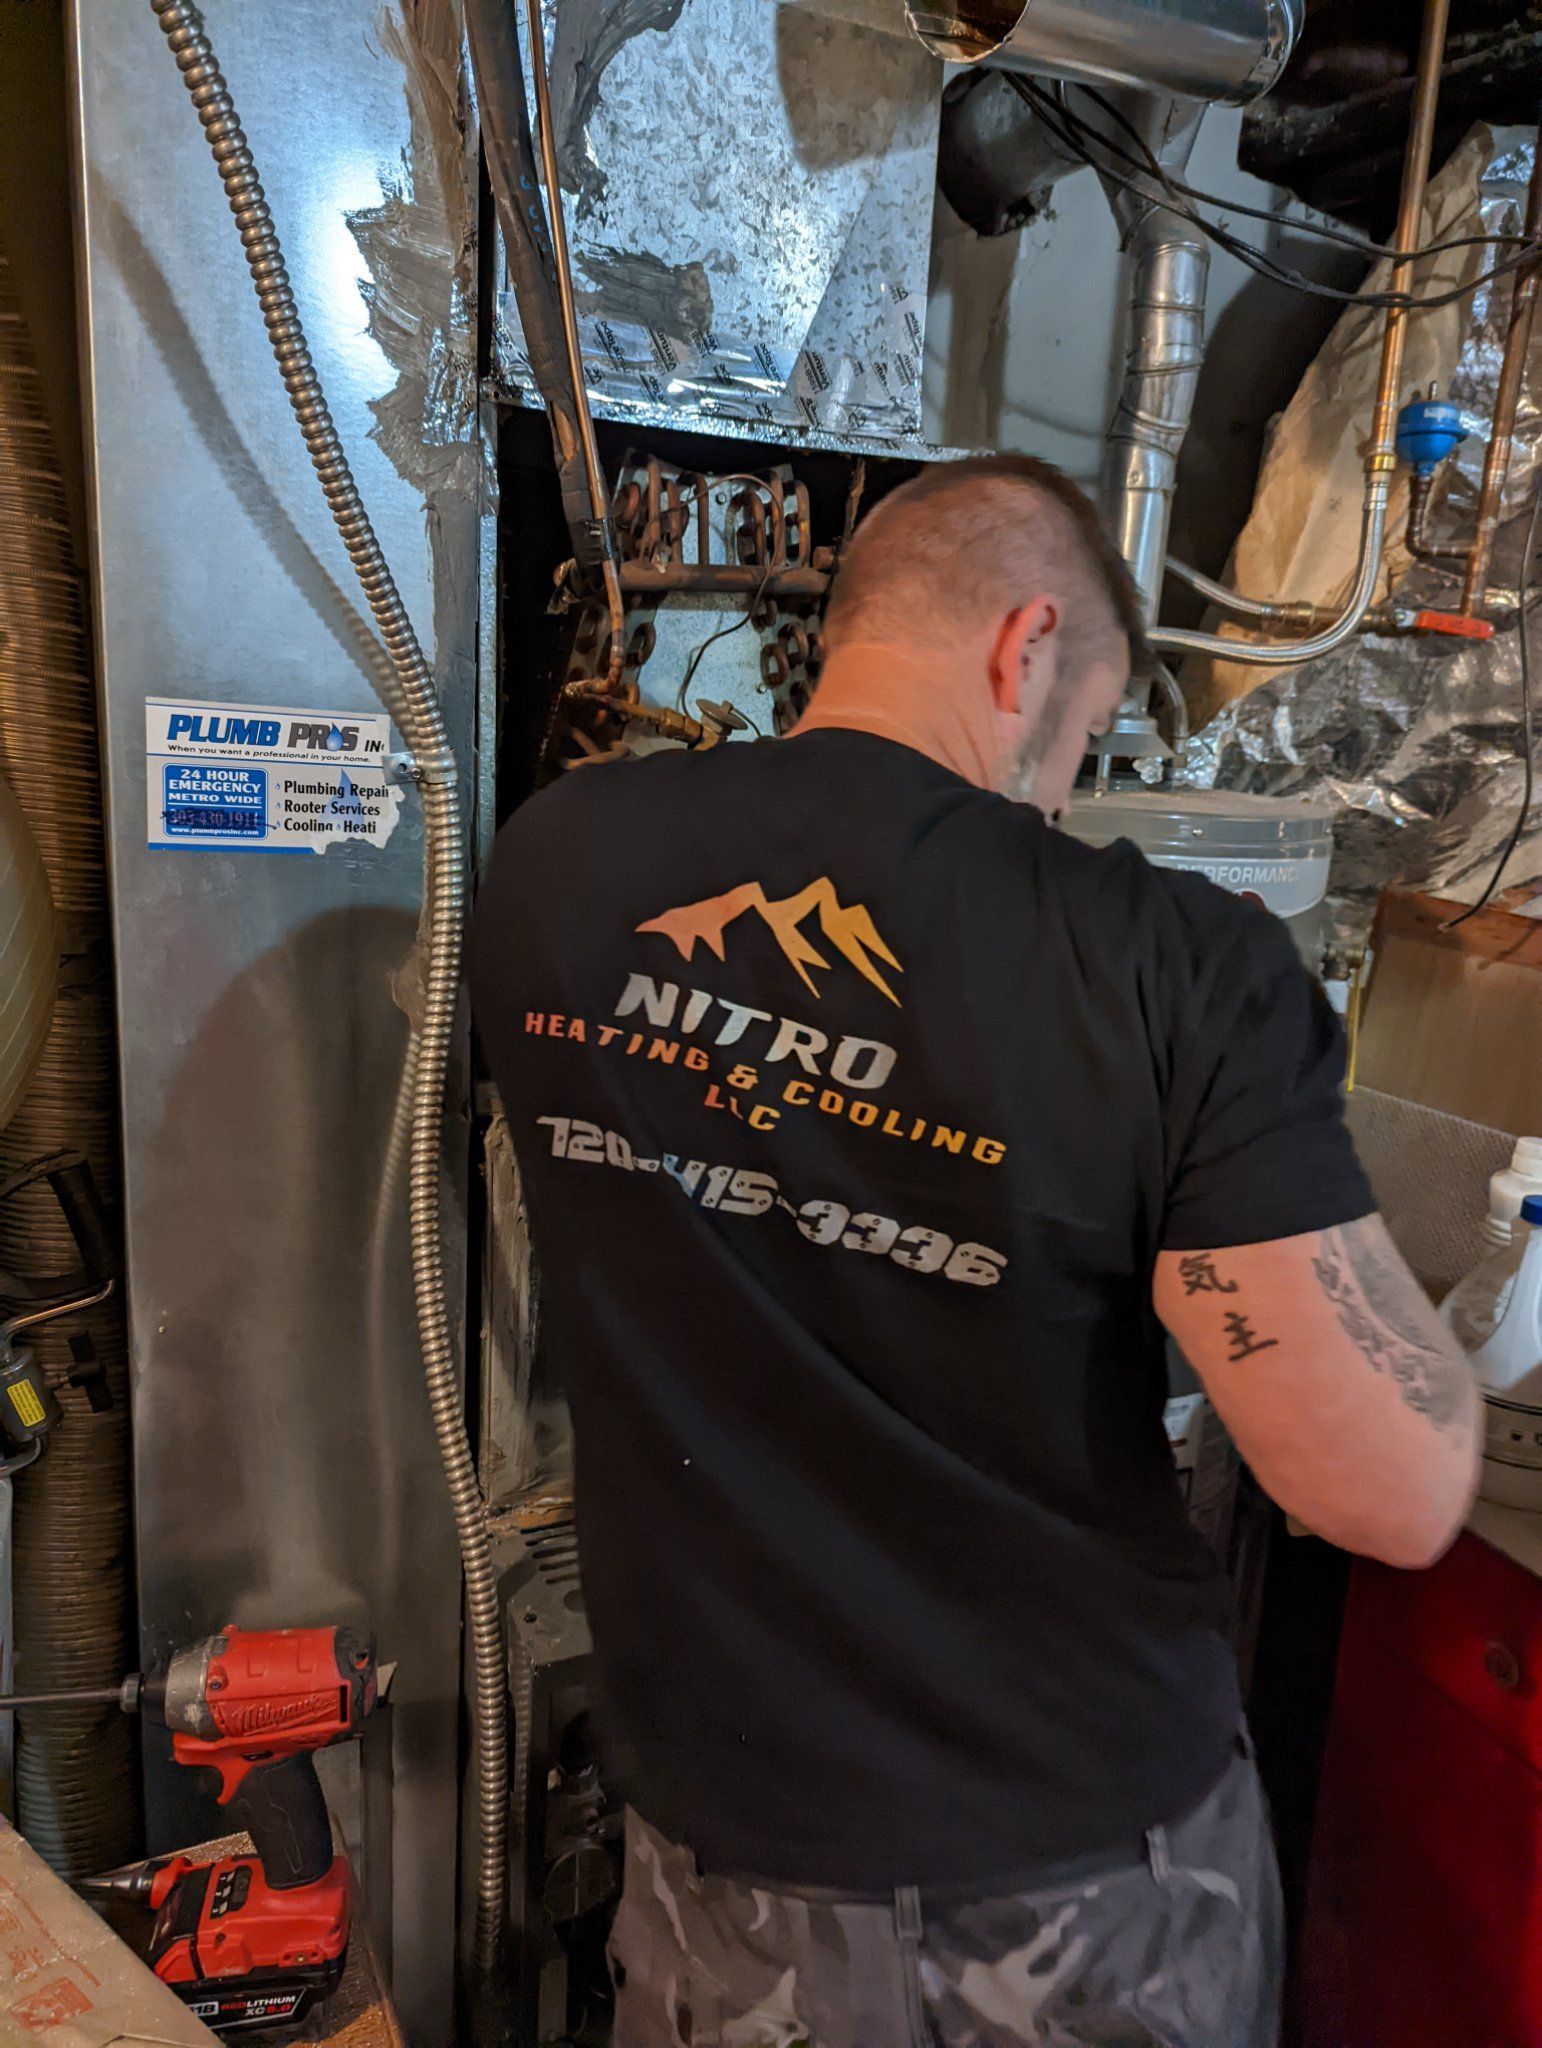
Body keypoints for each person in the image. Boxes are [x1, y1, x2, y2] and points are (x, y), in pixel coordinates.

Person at [469, 454, 1478, 2048]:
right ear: (1024, 651)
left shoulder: (549, 861)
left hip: (715, 1847)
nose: (1062, 795)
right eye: (1077, 743)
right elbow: (1382, 1488)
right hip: (1060, 1868)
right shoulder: (1166, 962)